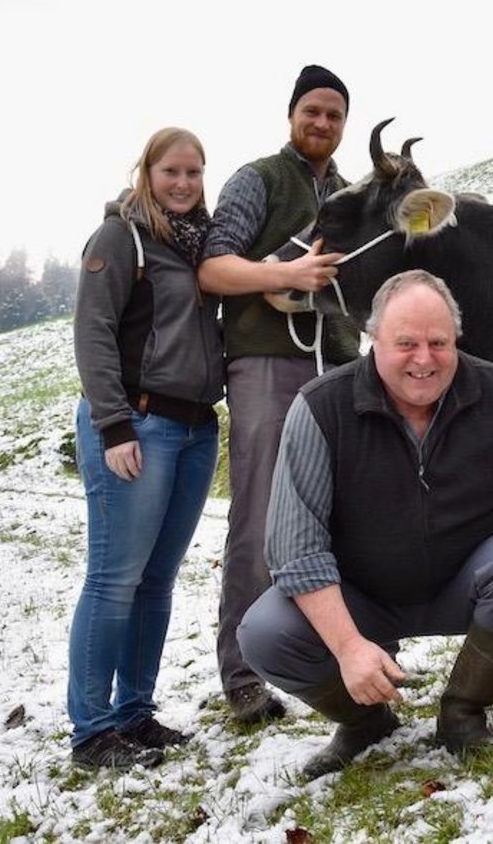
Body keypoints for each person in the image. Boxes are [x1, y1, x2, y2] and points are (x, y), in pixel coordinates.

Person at [238, 270, 493, 781]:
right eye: (406, 343)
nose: (424, 359)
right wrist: (348, 646)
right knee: (265, 631)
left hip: (469, 585)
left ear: (458, 340)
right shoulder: (321, 408)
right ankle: (364, 720)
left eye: (439, 343)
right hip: (361, 595)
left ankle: (462, 712)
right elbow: (296, 549)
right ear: (373, 339)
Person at [197, 65, 363, 724]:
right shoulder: (256, 179)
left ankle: (333, 663)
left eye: (334, 114)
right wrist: (282, 273)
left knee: (339, 520)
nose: (322, 123)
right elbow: (212, 266)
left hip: (339, 367)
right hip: (266, 362)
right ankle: (242, 676)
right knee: (260, 515)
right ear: (293, 113)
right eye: (313, 111)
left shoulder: (352, 193)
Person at [69, 127, 224, 769]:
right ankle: (92, 730)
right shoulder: (121, 237)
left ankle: (136, 711)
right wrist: (113, 426)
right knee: (114, 579)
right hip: (137, 424)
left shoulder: (200, 246)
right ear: (147, 172)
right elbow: (94, 332)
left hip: (195, 429)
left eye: (194, 172)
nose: (183, 183)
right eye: (171, 171)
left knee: (156, 581)